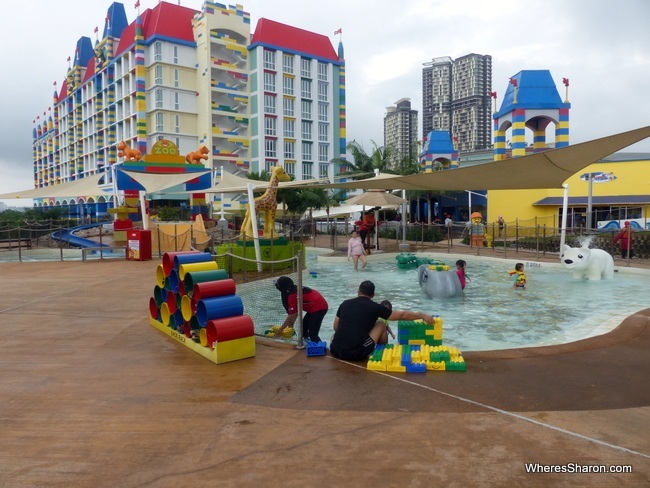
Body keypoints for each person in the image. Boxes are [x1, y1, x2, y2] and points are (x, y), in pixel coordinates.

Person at [329, 280, 434, 361]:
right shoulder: (375, 307)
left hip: (335, 349)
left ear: (358, 292)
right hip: (356, 354)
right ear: (373, 295)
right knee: (381, 323)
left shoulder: (345, 303)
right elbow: (402, 315)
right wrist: (422, 315)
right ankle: (383, 349)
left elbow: (335, 326)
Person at [273, 276, 328, 343]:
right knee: (303, 329)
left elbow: (292, 315)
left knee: (313, 334)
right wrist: (291, 326)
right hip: (315, 307)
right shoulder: (293, 289)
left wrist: (280, 330)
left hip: (319, 307)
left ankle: (321, 349)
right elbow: (294, 314)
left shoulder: (292, 295)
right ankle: (307, 344)